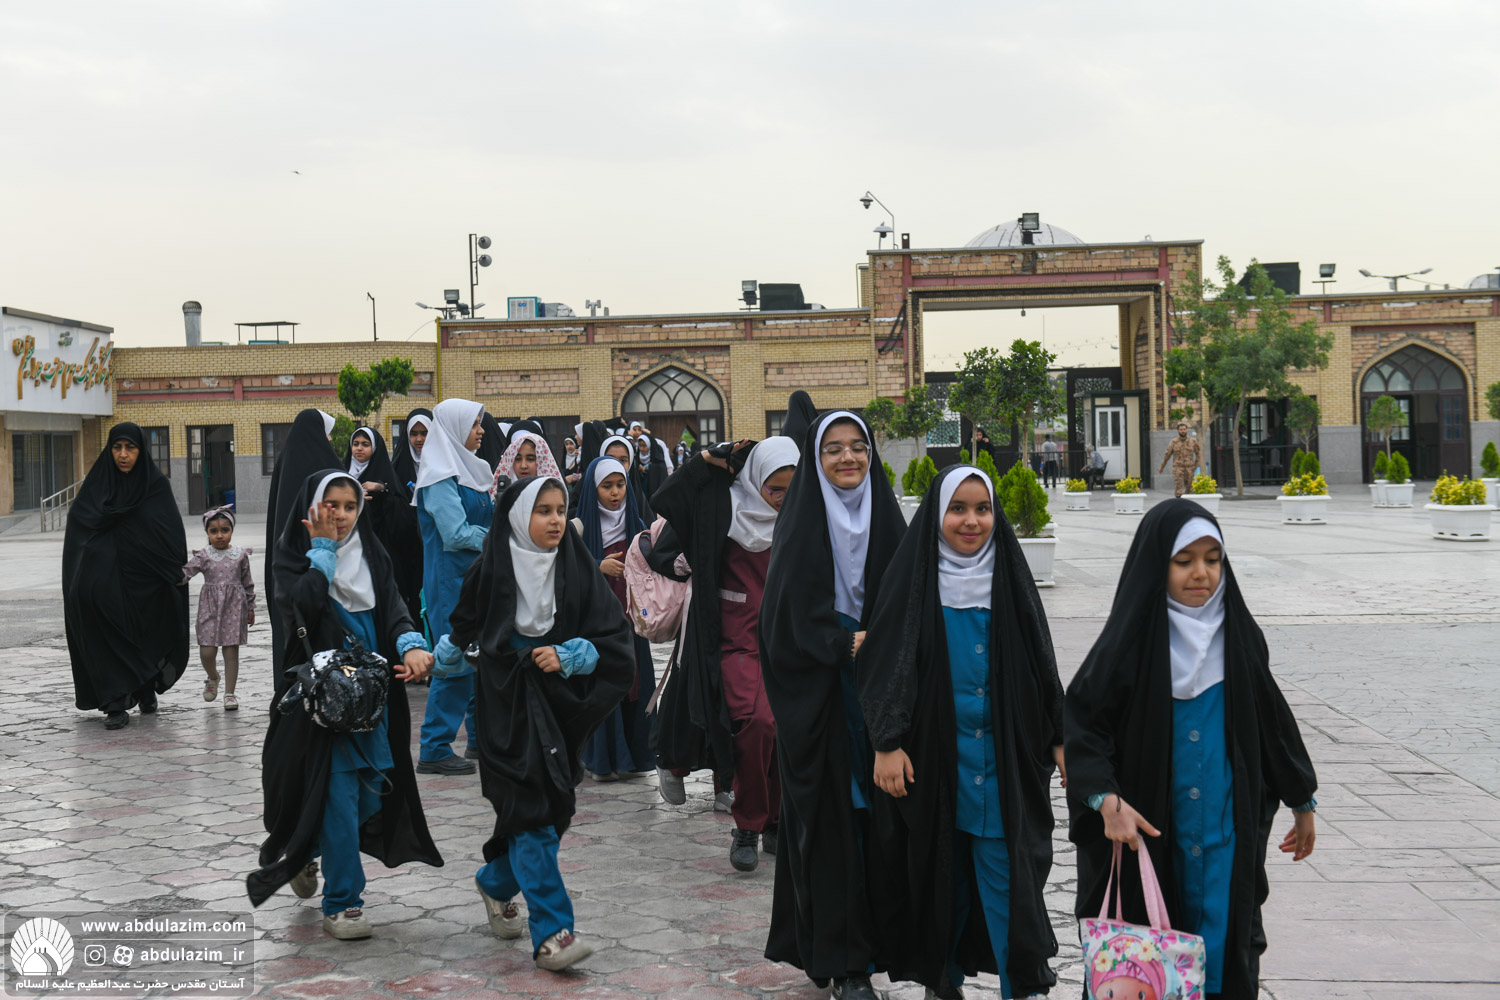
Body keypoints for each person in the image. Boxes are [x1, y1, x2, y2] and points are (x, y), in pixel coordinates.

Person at [1065, 500, 1319, 999]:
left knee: (1223, 950)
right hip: (1151, 836)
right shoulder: (1128, 646)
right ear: (1156, 565)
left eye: (1212, 559)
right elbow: (1084, 727)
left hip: (1224, 837)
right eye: (1184, 561)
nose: (1200, 573)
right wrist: (1106, 801)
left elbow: (1273, 723)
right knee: (1151, 967)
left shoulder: (1239, 638)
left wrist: (1301, 800)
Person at [858, 465, 1065, 999]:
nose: (971, 521)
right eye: (958, 509)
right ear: (936, 515)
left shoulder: (1009, 580)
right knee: (939, 880)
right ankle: (942, 982)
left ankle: (1021, 986)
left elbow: (1042, 664)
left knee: (1007, 882)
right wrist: (886, 743)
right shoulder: (913, 581)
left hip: (1001, 767)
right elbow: (885, 665)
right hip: (931, 765)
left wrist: (1061, 736)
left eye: (982, 509)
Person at [441, 476, 634, 970]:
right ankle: (553, 933)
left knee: (554, 811)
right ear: (516, 516)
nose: (554, 520)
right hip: (505, 704)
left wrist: (571, 654)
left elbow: (614, 636)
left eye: (559, 510)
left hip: (557, 706)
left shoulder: (577, 565)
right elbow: (462, 629)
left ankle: (495, 881)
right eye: (542, 510)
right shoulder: (490, 567)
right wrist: (429, 656)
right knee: (531, 814)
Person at [248, 471, 441, 939]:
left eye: (349, 506)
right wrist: (323, 554)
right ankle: (343, 903)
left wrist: (412, 644)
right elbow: (301, 608)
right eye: (330, 505)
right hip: (324, 704)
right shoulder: (296, 557)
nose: (340, 515)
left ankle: (305, 849)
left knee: (368, 793)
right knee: (338, 797)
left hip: (372, 700)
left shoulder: (373, 554)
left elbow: (393, 608)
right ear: (312, 508)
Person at [760, 411, 907, 1000]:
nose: (848, 458)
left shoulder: (890, 522)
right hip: (821, 706)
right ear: (816, 461)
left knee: (884, 828)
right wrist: (839, 642)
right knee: (834, 829)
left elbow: (912, 601)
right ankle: (845, 963)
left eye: (858, 447)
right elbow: (780, 626)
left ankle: (887, 949)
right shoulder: (799, 527)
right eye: (833, 449)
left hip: (881, 701)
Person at [652, 436, 800, 871]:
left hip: (788, 644)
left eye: (793, 489)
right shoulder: (723, 512)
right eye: (775, 489)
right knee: (757, 723)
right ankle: (749, 824)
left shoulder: (803, 519)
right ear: (755, 481)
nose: (783, 498)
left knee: (786, 731)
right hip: (735, 642)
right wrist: (702, 462)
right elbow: (667, 498)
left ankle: (776, 821)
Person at [64, 422, 190, 730]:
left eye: (130, 448)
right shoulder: (98, 484)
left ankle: (145, 688)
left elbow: (168, 533)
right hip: (105, 580)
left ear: (140, 450)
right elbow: (81, 523)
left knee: (145, 630)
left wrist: (172, 569)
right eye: (117, 448)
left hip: (144, 580)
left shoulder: (154, 485)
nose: (123, 455)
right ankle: (115, 702)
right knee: (105, 627)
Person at [414, 399, 495, 775]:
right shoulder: (438, 477)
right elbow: (455, 533)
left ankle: (478, 739)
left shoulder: (470, 469)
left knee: (476, 658)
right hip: (450, 581)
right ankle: (434, 747)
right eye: (474, 424)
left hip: (474, 577)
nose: (480, 431)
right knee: (454, 659)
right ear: (455, 428)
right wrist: (501, 538)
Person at [575, 457, 655, 780]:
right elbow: (566, 568)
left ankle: (634, 757)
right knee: (604, 679)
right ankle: (603, 759)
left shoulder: (636, 523)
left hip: (632, 620)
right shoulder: (581, 527)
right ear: (593, 489)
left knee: (633, 679)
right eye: (606, 486)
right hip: (598, 622)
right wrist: (598, 565)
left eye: (620, 485)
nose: (615, 493)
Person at [265, 409, 342, 694]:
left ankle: (290, 689)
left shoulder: (285, 462)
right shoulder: (326, 464)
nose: (329, 439)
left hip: (289, 561)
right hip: (325, 561)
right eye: (327, 433)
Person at [182, 505, 255, 711]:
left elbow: (247, 582)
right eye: (214, 531)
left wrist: (250, 607)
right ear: (207, 532)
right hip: (209, 609)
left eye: (225, 530)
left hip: (234, 608)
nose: (220, 535)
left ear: (232, 530)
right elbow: (186, 573)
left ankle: (229, 694)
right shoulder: (204, 556)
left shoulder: (240, 555)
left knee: (231, 651)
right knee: (207, 651)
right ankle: (213, 676)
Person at [390, 409, 432, 630]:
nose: (419, 439)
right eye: (414, 434)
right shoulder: (398, 468)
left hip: (433, 546)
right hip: (407, 549)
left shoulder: (443, 465)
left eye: (424, 433)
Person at [490, 429, 562, 499]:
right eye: (518, 459)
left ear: (542, 461)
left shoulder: (554, 496)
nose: (523, 466)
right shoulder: (502, 496)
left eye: (530, 459)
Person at [1158, 422, 1202, 498]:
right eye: (1181, 429)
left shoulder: (1193, 441)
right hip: (1178, 468)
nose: (1183, 431)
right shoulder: (1174, 442)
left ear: (1186, 430)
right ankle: (1178, 502)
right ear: (1178, 431)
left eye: (1184, 429)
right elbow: (1167, 455)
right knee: (1179, 489)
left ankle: (1187, 504)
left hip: (1189, 468)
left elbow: (1198, 455)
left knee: (1189, 489)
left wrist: (1194, 467)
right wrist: (1162, 467)